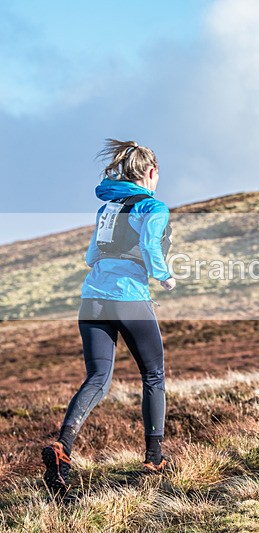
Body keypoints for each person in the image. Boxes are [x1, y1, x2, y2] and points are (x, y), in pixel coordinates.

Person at [41, 139, 176, 496]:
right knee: (153, 374)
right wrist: (165, 276)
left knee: (98, 378)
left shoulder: (108, 209)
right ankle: (154, 457)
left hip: (92, 300)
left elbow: (90, 256)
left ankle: (62, 448)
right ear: (151, 172)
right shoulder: (153, 206)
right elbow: (149, 247)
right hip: (129, 298)